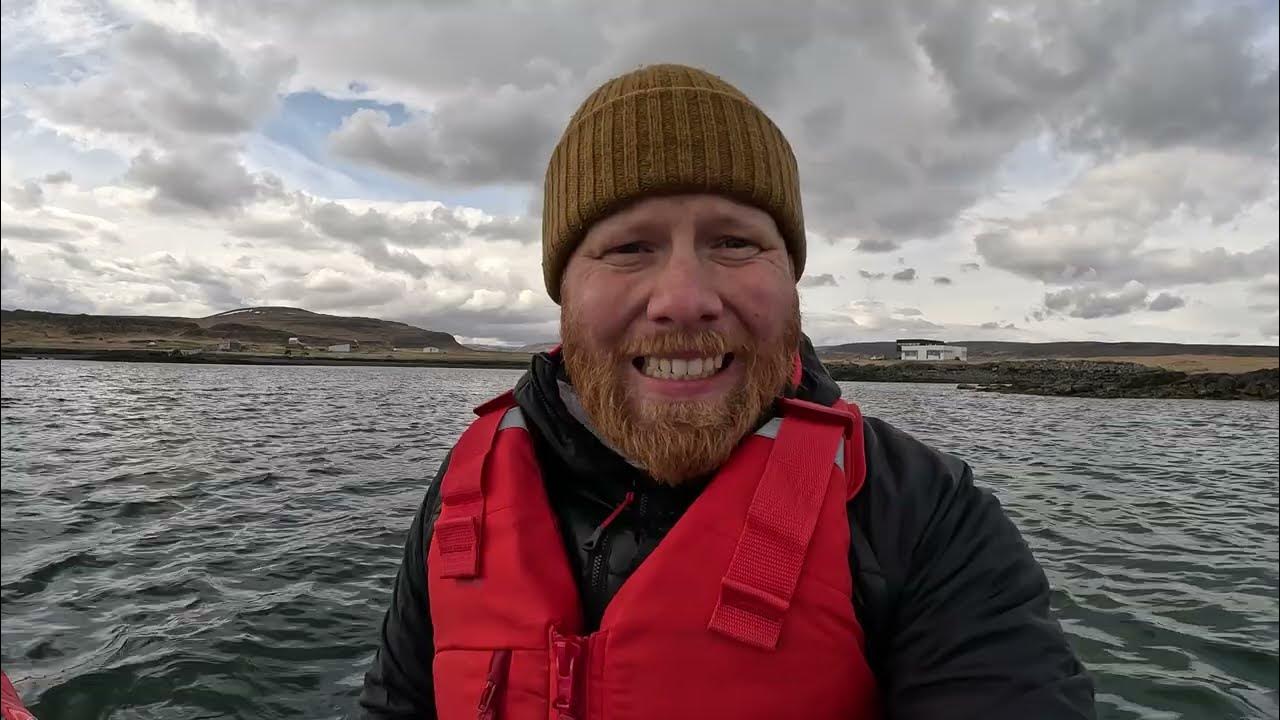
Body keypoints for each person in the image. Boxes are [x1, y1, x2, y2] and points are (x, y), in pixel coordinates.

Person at [359, 63, 1095, 720]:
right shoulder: (462, 497)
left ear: (791, 276)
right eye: (628, 248)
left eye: (735, 242)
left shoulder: (926, 515)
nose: (684, 299)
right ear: (564, 291)